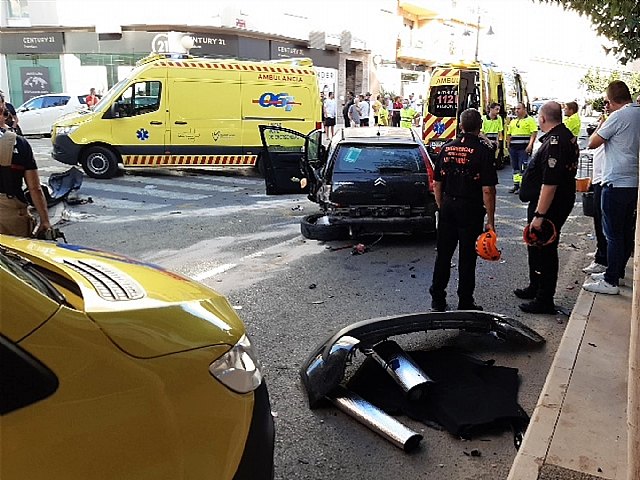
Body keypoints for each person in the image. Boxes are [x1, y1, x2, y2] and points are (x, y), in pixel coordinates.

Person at [429, 108, 498, 311]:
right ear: (480, 127)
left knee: (443, 254)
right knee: (467, 258)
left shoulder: (447, 148)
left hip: (449, 206)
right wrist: (491, 220)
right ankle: (465, 301)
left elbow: (437, 182)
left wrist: (442, 206)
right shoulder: (483, 151)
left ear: (460, 126)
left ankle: (438, 298)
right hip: (471, 208)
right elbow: (488, 190)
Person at [515, 101, 579, 313]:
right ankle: (536, 286)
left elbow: (550, 184)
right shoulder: (562, 136)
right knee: (535, 246)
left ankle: (544, 299)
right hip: (548, 203)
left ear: (542, 118)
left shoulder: (555, 142)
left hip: (549, 206)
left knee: (545, 251)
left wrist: (540, 215)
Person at [582, 80, 640, 295]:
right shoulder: (637, 113)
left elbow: (592, 142)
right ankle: (615, 273)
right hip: (633, 182)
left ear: (610, 99)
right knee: (625, 232)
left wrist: (602, 124)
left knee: (613, 234)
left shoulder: (618, 116)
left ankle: (611, 280)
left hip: (615, 182)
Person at [0, 92, 51, 237]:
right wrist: (45, 220)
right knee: (15, 258)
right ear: (3, 110)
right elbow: (34, 188)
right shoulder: (19, 143)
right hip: (11, 217)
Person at [582, 105, 609, 275]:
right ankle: (601, 251)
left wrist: (601, 125)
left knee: (602, 223)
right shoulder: (610, 120)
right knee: (599, 220)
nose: (605, 107)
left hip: (606, 178)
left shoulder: (614, 120)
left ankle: (602, 260)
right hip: (600, 176)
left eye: (608, 103)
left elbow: (592, 142)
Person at [506, 102, 538, 194]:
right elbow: (509, 134)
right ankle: (516, 185)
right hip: (513, 148)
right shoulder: (513, 121)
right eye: (515, 109)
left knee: (523, 167)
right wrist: (508, 145)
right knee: (515, 168)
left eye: (519, 109)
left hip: (523, 148)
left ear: (524, 109)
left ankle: (523, 186)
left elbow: (533, 133)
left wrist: (530, 145)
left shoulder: (530, 120)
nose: (516, 110)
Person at [481, 102, 504, 167]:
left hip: (494, 142)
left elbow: (499, 131)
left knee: (493, 159)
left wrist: (498, 141)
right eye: (496, 109)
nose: (498, 111)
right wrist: (488, 141)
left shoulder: (499, 118)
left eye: (499, 109)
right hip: (485, 142)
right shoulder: (484, 119)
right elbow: (481, 133)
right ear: (491, 109)